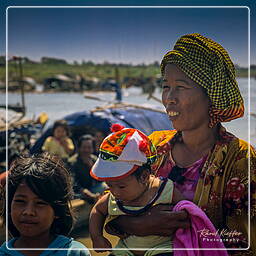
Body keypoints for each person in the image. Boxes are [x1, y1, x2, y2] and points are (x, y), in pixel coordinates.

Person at [104, 33, 256, 255]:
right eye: (166, 86)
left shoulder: (241, 158)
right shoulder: (152, 146)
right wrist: (135, 225)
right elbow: (111, 202)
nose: (169, 98)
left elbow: (242, 245)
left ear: (211, 95)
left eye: (181, 87)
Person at [89, 124, 228, 256]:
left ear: (143, 177)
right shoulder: (114, 197)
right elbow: (98, 210)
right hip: (126, 250)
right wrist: (97, 236)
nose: (115, 192)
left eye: (121, 186)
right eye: (109, 186)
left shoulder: (164, 190)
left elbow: (188, 210)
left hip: (160, 249)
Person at [0, 153, 90, 255]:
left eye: (40, 203)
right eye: (20, 201)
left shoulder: (74, 253)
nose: (28, 212)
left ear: (56, 211)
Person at [68, 135, 106, 203]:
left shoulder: (95, 159)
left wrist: (91, 167)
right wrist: (84, 191)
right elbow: (72, 183)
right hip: (78, 192)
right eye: (84, 147)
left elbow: (101, 179)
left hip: (93, 189)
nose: (86, 150)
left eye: (89, 147)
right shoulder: (72, 162)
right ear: (79, 148)